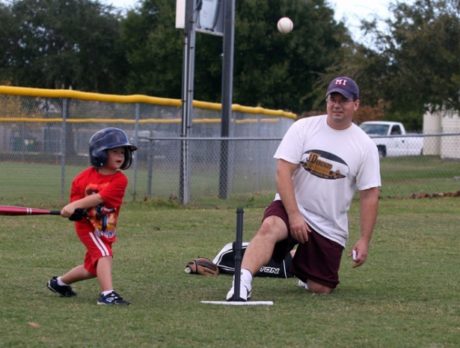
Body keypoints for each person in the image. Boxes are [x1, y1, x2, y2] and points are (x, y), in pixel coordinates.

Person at [226, 76, 381, 300]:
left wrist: (364, 240)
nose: (337, 104)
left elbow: (370, 195)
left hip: (328, 224)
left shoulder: (365, 145)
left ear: (355, 104)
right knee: (270, 226)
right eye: (332, 98)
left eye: (344, 100)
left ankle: (296, 260)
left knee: (321, 288)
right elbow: (282, 171)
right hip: (293, 207)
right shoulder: (303, 128)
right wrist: (294, 214)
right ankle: (241, 283)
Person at [47, 127, 137, 305]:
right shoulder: (81, 178)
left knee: (92, 269)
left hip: (105, 228)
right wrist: (74, 211)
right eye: (114, 152)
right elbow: (76, 201)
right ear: (100, 153)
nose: (120, 155)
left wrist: (74, 205)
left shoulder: (120, 180)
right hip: (87, 227)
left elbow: (100, 198)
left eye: (122, 152)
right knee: (104, 255)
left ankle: (59, 283)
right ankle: (107, 295)